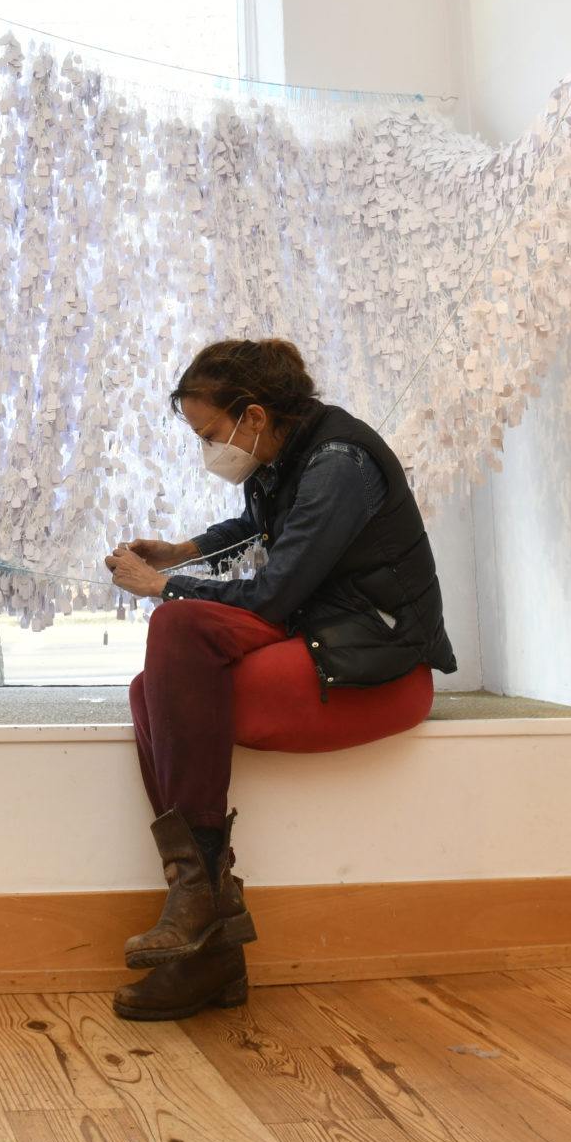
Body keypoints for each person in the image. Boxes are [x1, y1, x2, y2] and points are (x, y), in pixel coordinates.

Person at [101, 338, 455, 1021]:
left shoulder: (339, 466)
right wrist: (186, 549)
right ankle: (209, 937)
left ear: (254, 417)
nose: (208, 450)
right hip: (319, 629)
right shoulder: (288, 452)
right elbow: (259, 523)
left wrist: (162, 583)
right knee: (150, 692)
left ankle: (200, 902)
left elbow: (269, 593)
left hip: (376, 661)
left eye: (210, 434)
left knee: (174, 633)